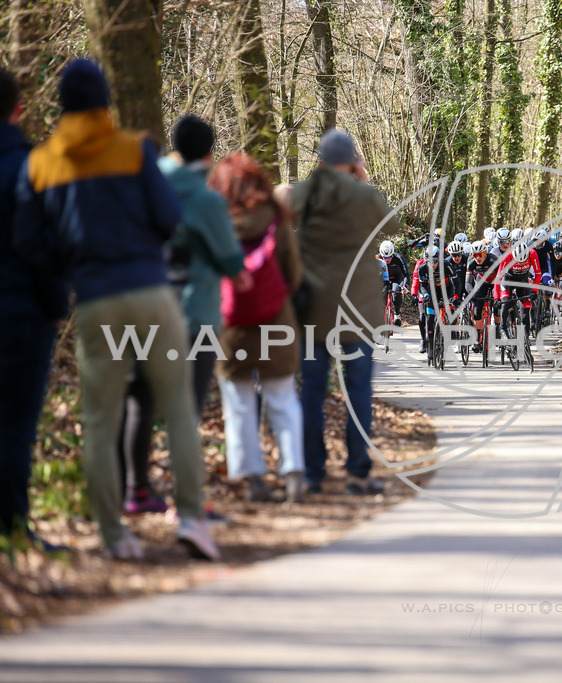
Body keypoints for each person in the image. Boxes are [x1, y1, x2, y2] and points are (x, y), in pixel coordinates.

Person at [13, 59, 218, 561]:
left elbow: (28, 240)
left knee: (101, 421)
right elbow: (170, 217)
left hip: (96, 300)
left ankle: (114, 536)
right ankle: (192, 519)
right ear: (106, 100)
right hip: (151, 291)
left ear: (60, 104)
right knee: (178, 409)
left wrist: (69, 264)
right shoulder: (133, 149)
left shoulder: (40, 162)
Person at [119, 114, 251, 515]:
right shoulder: (207, 200)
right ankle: (188, 503)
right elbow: (233, 265)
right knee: (185, 409)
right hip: (194, 314)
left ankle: (135, 491)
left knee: (139, 399)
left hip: (141, 307)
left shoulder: (148, 181)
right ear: (210, 153)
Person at [289, 129, 401, 496]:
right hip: (358, 312)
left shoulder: (305, 193)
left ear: (320, 160)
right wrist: (364, 177)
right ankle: (357, 472)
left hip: (313, 311)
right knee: (358, 392)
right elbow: (393, 225)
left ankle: (312, 473)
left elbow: (280, 208)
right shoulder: (364, 195)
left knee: (311, 392)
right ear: (352, 160)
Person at [207, 153, 305, 504]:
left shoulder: (214, 219)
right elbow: (292, 272)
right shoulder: (275, 218)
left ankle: (253, 478)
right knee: (282, 397)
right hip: (275, 320)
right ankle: (294, 473)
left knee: (239, 403)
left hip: (230, 326)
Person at [0, 69, 68, 549]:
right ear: (18, 110)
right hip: (18, 310)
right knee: (15, 423)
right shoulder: (30, 165)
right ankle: (11, 525)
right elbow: (40, 242)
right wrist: (54, 306)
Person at [377, 239, 408, 325]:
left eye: (389, 257)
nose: (386, 260)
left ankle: (397, 314)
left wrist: (404, 286)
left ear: (393, 254)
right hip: (383, 279)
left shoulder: (399, 258)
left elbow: (406, 275)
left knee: (396, 293)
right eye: (384, 257)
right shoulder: (377, 258)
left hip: (396, 278)